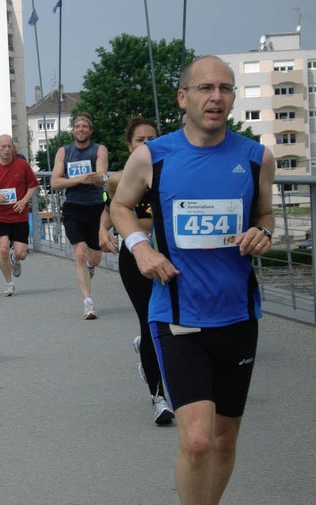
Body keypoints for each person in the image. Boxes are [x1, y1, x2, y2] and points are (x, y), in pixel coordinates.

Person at [110, 55, 275, 504]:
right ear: (184, 98)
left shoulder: (257, 157)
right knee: (198, 440)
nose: (216, 96)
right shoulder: (152, 156)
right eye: (205, 88)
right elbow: (120, 207)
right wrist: (140, 248)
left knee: (224, 440)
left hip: (238, 314)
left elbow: (264, 216)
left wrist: (262, 233)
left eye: (225, 88)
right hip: (177, 313)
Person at [99, 117, 174, 425]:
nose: (146, 144)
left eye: (151, 139)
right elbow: (108, 208)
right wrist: (103, 230)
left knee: (172, 325)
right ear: (130, 146)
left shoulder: (170, 174)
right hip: (136, 255)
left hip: (169, 255)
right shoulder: (118, 180)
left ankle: (147, 348)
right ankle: (159, 398)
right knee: (150, 322)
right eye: (139, 140)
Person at [50, 113, 109, 319]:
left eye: (85, 127)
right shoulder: (64, 152)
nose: (81, 129)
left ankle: (91, 267)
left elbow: (103, 177)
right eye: (78, 127)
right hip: (73, 207)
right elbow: (55, 183)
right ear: (73, 130)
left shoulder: (99, 149)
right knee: (80, 253)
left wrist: (96, 178)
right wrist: (79, 179)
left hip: (95, 207)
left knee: (95, 257)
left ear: (89, 131)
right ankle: (88, 303)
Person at [0, 134, 39, 296]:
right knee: (2, 248)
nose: (6, 150)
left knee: (21, 253)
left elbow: (33, 185)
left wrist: (24, 200)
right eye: (3, 146)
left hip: (19, 215)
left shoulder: (22, 165)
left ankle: (15, 257)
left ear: (13, 148)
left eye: (9, 146)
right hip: (0, 215)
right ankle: (9, 283)